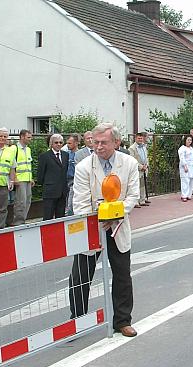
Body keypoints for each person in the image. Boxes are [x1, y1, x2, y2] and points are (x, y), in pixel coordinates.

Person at [68, 123, 139, 338]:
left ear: (116, 142)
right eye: (95, 142)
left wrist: (114, 215)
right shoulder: (83, 167)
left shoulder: (129, 163)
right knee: (80, 275)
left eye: (103, 143)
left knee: (122, 275)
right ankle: (78, 320)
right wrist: (98, 219)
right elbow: (79, 202)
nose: (98, 147)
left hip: (118, 225)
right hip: (91, 226)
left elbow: (133, 196)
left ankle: (122, 321)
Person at [36, 134, 69, 220]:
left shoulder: (65, 155)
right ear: (51, 144)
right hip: (50, 191)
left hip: (62, 191)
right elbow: (40, 174)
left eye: (60, 142)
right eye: (56, 142)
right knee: (48, 216)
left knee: (61, 216)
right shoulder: (45, 156)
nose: (58, 144)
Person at [11, 129, 34, 225]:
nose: (30, 139)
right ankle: (18, 222)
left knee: (27, 200)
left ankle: (22, 220)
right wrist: (14, 178)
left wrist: (31, 178)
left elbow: (28, 164)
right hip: (20, 179)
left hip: (27, 178)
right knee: (21, 202)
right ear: (22, 137)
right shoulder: (14, 148)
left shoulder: (28, 149)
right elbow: (12, 164)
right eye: (28, 137)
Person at [128, 132, 151, 207]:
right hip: (137, 170)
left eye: (141, 138)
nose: (140, 140)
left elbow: (146, 157)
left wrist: (146, 165)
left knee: (143, 185)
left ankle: (142, 200)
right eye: (139, 138)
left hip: (144, 169)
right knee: (136, 186)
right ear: (135, 139)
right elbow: (133, 160)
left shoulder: (144, 146)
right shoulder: (132, 148)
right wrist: (141, 167)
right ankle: (135, 202)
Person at [178, 135, 193, 202]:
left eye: (190, 140)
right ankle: (184, 195)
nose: (189, 141)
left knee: (191, 181)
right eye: (188, 140)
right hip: (185, 167)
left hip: (192, 167)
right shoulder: (182, 148)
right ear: (185, 140)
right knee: (185, 181)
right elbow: (182, 158)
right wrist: (185, 166)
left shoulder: (192, 148)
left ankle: (189, 195)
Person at [64, 133, 80, 216]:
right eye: (67, 143)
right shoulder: (66, 154)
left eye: (70, 143)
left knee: (71, 203)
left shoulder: (80, 154)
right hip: (66, 180)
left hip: (74, 181)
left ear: (76, 143)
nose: (67, 145)